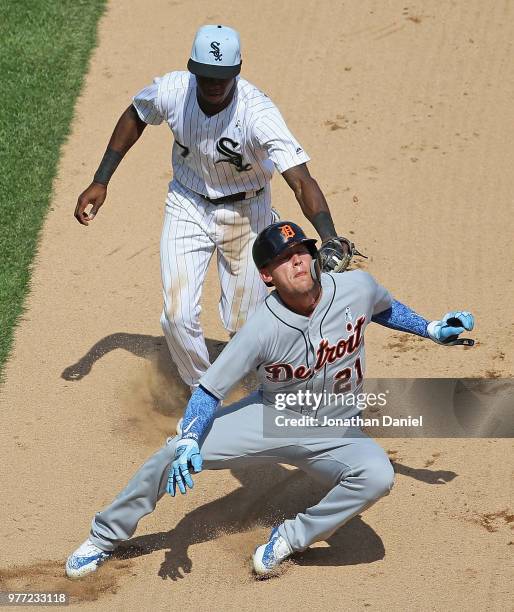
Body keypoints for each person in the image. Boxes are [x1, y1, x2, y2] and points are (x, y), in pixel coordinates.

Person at [65, 221, 475, 579]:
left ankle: (290, 537)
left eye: (302, 251)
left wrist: (431, 328)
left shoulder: (355, 287)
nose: (297, 260)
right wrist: (190, 437)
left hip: (339, 428)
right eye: (284, 258)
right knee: (171, 455)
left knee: (377, 476)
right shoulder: (260, 330)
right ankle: (104, 537)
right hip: (271, 418)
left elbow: (382, 307)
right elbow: (210, 390)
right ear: (266, 276)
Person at [74, 24, 346, 390]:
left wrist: (328, 236)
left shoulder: (258, 114)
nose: (214, 84)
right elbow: (136, 114)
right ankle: (203, 393)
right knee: (177, 316)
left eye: (223, 77)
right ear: (193, 69)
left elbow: (301, 180)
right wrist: (101, 179)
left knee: (243, 323)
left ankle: (271, 372)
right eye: (206, 76)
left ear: (237, 71)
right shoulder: (172, 90)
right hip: (187, 204)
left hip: (247, 213)